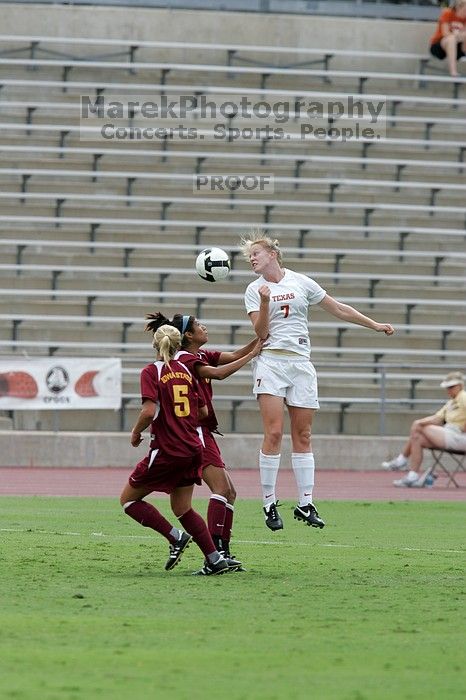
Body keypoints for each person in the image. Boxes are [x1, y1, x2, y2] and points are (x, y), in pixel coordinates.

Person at [241, 232, 395, 531]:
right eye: (250, 256)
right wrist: (262, 303)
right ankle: (269, 503)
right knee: (273, 433)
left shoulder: (301, 282)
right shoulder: (254, 289)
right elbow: (260, 334)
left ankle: (306, 503)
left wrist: (374, 325)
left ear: (272, 253)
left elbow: (338, 308)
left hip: (300, 363)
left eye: (256, 253)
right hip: (271, 361)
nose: (252, 258)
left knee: (304, 435)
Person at [119, 322, 229, 575]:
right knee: (182, 508)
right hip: (192, 449)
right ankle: (215, 559)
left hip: (168, 449)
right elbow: (202, 410)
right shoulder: (187, 369)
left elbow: (148, 411)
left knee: (128, 501)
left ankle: (175, 537)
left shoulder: (151, 371)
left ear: (155, 344)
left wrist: (136, 433)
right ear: (178, 344)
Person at [169, 313, 262, 572]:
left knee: (230, 492)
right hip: (193, 431)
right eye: (199, 325)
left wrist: (260, 338)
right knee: (221, 489)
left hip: (204, 431)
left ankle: (223, 552)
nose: (204, 327)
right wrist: (254, 354)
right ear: (188, 334)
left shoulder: (199, 354)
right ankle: (214, 557)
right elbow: (219, 374)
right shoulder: (186, 360)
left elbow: (231, 356)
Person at [383, 371, 466, 487]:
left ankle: (402, 460)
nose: (449, 390)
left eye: (452, 387)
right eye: (447, 387)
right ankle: (412, 476)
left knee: (418, 426)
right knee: (417, 437)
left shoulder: (463, 396)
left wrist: (464, 427)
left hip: (460, 436)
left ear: (460, 385)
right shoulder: (451, 403)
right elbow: (437, 418)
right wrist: (419, 422)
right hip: (450, 434)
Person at [429, 0, 466, 78]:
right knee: (451, 39)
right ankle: (453, 71)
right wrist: (459, 36)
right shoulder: (448, 13)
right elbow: (445, 33)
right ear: (459, 6)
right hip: (440, 46)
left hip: (458, 49)